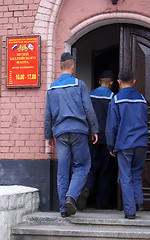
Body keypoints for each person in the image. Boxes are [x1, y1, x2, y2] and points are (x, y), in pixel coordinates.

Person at [44, 52, 99, 218]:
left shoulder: (52, 88)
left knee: (62, 170)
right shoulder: (79, 84)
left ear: (60, 66)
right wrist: (94, 129)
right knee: (82, 166)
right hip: (79, 132)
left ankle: (63, 209)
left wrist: (48, 135)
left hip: (60, 133)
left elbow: (48, 115)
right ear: (73, 66)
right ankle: (71, 197)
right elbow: (88, 109)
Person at [105, 67, 149, 219]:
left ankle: (130, 211)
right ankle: (139, 202)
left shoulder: (116, 99)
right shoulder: (142, 98)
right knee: (136, 173)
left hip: (125, 143)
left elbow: (112, 127)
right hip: (141, 142)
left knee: (125, 176)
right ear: (134, 81)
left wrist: (111, 145)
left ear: (118, 82)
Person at [77, 70, 114, 210]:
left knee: (91, 166)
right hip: (107, 138)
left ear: (99, 82)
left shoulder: (90, 95)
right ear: (111, 83)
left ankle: (86, 189)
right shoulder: (112, 97)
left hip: (91, 136)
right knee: (106, 169)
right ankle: (102, 203)